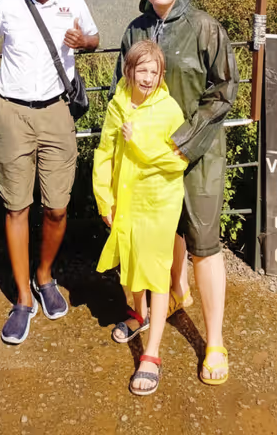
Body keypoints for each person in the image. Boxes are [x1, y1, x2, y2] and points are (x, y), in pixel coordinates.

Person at [113, 0, 239, 385]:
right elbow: (120, 92)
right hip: (147, 157)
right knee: (161, 233)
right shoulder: (136, 30)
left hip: (197, 153)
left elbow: (224, 90)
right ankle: (175, 293)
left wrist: (183, 142)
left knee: (203, 241)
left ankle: (215, 341)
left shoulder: (204, 26)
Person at [0, 0, 99, 344]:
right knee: (16, 207)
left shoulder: (72, 1)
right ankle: (23, 297)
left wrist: (84, 42)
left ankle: (44, 275)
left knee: (57, 207)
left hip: (57, 111)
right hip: (11, 112)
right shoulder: (7, 4)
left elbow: (94, 38)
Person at [94, 40, 188, 395]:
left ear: (161, 74)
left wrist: (140, 146)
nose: (147, 78)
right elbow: (105, 152)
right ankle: (140, 314)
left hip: (158, 203)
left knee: (156, 271)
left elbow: (177, 161)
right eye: (141, 70)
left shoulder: (169, 110)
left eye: (154, 71)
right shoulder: (118, 104)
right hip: (125, 199)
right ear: (128, 71)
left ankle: (151, 354)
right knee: (130, 263)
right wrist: (105, 199)